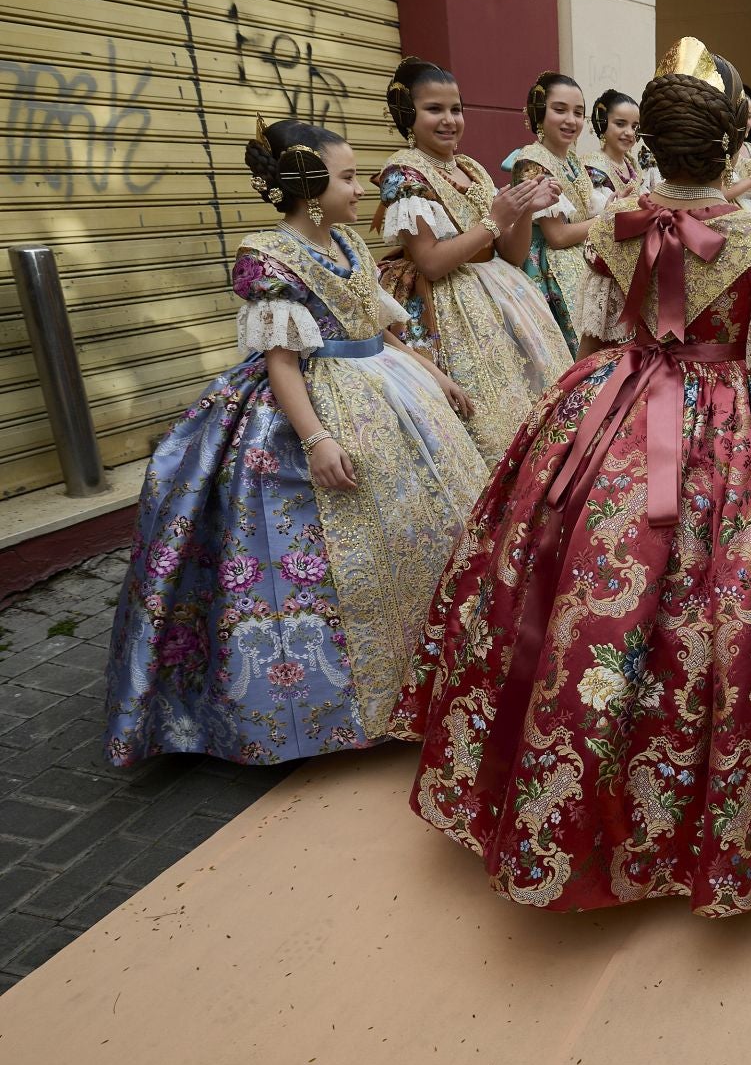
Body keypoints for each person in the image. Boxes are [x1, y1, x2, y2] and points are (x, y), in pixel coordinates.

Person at [394, 40, 751, 915]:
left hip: (615, 404)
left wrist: (580, 424)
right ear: (734, 145)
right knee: (727, 602)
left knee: (585, 582)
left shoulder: (618, 218)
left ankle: (571, 793)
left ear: (650, 143)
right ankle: (709, 811)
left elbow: (594, 343)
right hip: (736, 428)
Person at [104, 120, 487, 767]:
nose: (361, 188)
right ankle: (351, 705)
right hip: (315, 403)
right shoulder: (268, 257)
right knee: (332, 553)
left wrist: (438, 375)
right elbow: (281, 360)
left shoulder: (350, 246)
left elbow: (379, 328)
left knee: (423, 531)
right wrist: (315, 439)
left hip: (388, 390)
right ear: (310, 189)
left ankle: (429, 675)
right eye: (347, 177)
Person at [376, 59, 573, 465]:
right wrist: (494, 220)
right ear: (407, 114)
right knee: (487, 432)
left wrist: (522, 212)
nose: (449, 120)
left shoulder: (471, 168)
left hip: (504, 294)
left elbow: (512, 255)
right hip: (446, 306)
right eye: (435, 109)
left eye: (456, 109)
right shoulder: (403, 173)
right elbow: (430, 262)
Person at [504, 71, 597, 353]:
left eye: (578, 112)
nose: (571, 120)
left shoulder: (570, 158)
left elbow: (579, 215)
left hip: (578, 257)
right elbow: (556, 235)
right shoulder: (531, 161)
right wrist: (607, 219)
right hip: (547, 270)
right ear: (539, 113)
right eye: (560, 110)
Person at [585, 87, 647, 213]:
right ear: (602, 123)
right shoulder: (593, 167)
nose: (630, 132)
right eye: (620, 124)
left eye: (634, 126)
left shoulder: (634, 165)